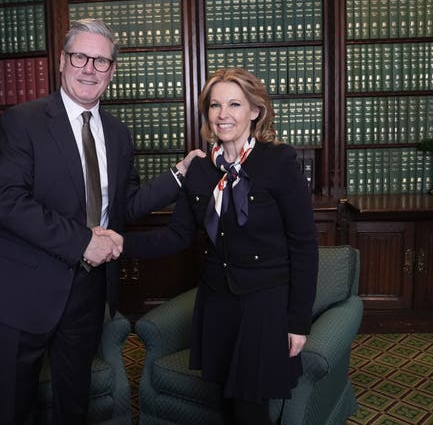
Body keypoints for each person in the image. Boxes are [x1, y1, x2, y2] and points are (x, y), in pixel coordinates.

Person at [0, 18, 204, 424]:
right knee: (13, 409)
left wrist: (179, 175)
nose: (89, 68)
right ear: (63, 61)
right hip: (21, 291)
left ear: (112, 71)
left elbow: (125, 206)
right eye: (81, 56)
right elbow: (7, 201)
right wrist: (83, 240)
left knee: (73, 403)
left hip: (86, 290)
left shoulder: (117, 133)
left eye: (101, 61)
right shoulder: (22, 121)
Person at [120, 68, 319, 424]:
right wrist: (119, 244)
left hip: (264, 303)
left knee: (250, 407)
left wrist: (298, 322)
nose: (223, 114)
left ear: (255, 111)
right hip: (217, 302)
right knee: (224, 401)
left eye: (234, 104)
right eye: (215, 105)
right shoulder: (199, 168)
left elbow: (303, 246)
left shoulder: (280, 162)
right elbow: (176, 235)